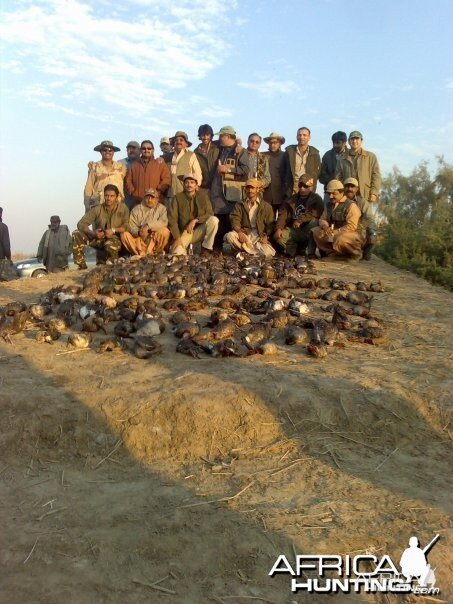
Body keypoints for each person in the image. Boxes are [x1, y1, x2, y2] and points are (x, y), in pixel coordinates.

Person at [73, 184, 129, 268]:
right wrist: (92, 233)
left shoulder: (123, 208)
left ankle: (110, 263)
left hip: (114, 239)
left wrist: (113, 230)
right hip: (98, 238)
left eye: (112, 196)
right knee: (76, 233)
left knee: (111, 245)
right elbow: (81, 223)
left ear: (117, 197)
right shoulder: (97, 209)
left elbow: (126, 226)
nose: (109, 198)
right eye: (106, 195)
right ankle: (81, 265)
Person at [210, 125, 249, 247]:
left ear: (227, 136)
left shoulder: (241, 151)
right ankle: (217, 248)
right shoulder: (221, 148)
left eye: (221, 136)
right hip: (218, 191)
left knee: (230, 219)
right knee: (218, 219)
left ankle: (228, 247)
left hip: (231, 193)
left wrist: (228, 169)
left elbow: (246, 169)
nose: (220, 138)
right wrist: (238, 141)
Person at [312, 179, 365, 261]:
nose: (331, 196)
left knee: (340, 238)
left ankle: (356, 254)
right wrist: (325, 227)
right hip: (334, 233)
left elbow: (352, 226)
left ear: (342, 192)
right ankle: (334, 254)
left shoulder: (351, 206)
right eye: (329, 194)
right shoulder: (329, 205)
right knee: (316, 231)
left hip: (352, 236)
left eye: (334, 194)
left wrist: (335, 232)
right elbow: (322, 219)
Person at [274, 174, 324, 258]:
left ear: (311, 187)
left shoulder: (317, 199)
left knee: (315, 223)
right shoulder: (291, 199)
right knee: (279, 237)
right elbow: (282, 215)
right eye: (300, 185)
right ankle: (294, 252)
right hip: (294, 230)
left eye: (305, 186)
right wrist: (279, 228)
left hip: (308, 230)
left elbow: (315, 213)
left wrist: (300, 220)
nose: (302, 188)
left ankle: (311, 253)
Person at [168, 175, 219, 256]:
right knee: (177, 253)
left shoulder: (204, 197)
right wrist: (177, 237)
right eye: (187, 182)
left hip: (200, 230)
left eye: (192, 182)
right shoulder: (177, 198)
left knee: (214, 220)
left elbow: (210, 213)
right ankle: (184, 251)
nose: (189, 185)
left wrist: (195, 220)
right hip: (185, 232)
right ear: (184, 184)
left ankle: (206, 249)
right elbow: (172, 219)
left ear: (196, 185)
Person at [224, 178, 275, 257]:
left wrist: (266, 236)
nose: (250, 190)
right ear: (245, 190)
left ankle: (243, 252)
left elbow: (270, 225)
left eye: (252, 188)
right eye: (248, 188)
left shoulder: (266, 206)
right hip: (245, 234)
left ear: (257, 189)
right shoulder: (240, 204)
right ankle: (251, 252)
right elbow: (235, 219)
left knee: (268, 253)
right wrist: (239, 232)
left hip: (258, 236)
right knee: (229, 236)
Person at [336, 131, 381, 204]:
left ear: (361, 141)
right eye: (352, 139)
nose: (354, 141)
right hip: (347, 195)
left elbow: (376, 176)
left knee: (366, 215)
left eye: (357, 139)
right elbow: (338, 177)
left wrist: (374, 193)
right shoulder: (342, 158)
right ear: (349, 141)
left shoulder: (370, 157)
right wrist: (341, 194)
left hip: (365, 195)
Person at [121, 188, 170, 256]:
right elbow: (131, 225)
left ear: (157, 199)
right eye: (147, 197)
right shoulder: (136, 209)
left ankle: (156, 252)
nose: (149, 200)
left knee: (165, 231)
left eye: (152, 198)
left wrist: (148, 226)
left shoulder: (162, 209)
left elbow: (164, 222)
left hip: (153, 237)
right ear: (144, 198)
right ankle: (140, 254)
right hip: (139, 239)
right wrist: (138, 232)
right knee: (124, 235)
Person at [124, 140, 171, 209]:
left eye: (149, 148)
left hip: (155, 203)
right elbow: (128, 180)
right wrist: (133, 192)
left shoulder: (160, 164)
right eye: (144, 148)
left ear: (153, 150)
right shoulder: (134, 165)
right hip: (138, 203)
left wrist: (158, 191)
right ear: (140, 150)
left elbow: (166, 180)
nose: (146, 150)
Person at [84, 140, 126, 210]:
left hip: (117, 205)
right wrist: (87, 207)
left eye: (110, 150)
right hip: (99, 204)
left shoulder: (121, 167)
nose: (107, 152)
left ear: (113, 152)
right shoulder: (94, 167)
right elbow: (88, 189)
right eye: (105, 150)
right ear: (100, 151)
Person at [343, 177, 378, 260]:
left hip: (357, 230)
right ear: (343, 188)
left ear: (357, 189)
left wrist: (372, 233)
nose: (349, 189)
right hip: (343, 229)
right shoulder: (339, 200)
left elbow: (369, 219)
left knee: (372, 235)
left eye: (352, 187)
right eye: (347, 186)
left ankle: (364, 253)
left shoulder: (363, 202)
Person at [163, 131, 202, 202]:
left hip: (186, 192)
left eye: (181, 140)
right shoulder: (168, 156)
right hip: (170, 192)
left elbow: (197, 172)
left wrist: (196, 187)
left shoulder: (191, 155)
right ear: (173, 143)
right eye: (176, 140)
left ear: (186, 144)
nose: (178, 142)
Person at [283, 127, 321, 198]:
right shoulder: (289, 152)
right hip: (292, 187)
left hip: (307, 187)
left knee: (306, 208)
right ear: (296, 137)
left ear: (309, 137)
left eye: (304, 135)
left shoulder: (315, 154)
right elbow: (283, 170)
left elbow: (318, 172)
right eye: (299, 135)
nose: (301, 137)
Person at [263, 132, 286, 216]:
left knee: (282, 220)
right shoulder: (262, 156)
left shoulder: (285, 156)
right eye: (271, 143)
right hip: (266, 195)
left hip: (282, 194)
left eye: (275, 143)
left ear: (279, 143)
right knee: (268, 221)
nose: (273, 145)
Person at [319, 131, 348, 197]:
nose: (335, 145)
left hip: (346, 192)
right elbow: (321, 175)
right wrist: (332, 181)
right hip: (330, 192)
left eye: (338, 143)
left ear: (344, 143)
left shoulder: (351, 155)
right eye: (333, 142)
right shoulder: (327, 155)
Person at [194, 124, 219, 197]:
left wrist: (238, 144)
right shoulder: (195, 152)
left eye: (207, 135)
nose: (205, 137)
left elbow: (231, 142)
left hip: (217, 185)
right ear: (199, 136)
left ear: (211, 136)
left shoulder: (217, 146)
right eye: (203, 135)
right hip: (203, 186)